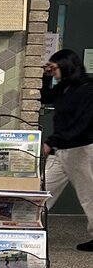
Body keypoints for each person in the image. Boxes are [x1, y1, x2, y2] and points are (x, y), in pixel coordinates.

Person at [40, 48, 93, 250]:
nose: (52, 71)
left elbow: (81, 124)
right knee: (42, 191)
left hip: (82, 150)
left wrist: (51, 141)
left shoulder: (88, 89)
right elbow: (45, 98)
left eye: (54, 68)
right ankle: (26, 227)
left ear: (66, 65)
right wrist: (46, 77)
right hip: (60, 150)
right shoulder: (65, 87)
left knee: (89, 195)